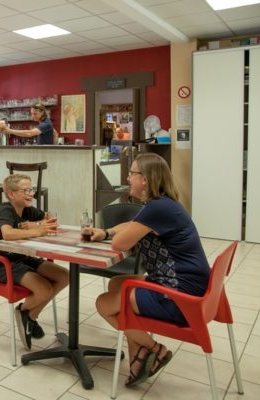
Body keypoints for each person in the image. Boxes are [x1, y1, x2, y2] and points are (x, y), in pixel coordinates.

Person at [89, 153, 210, 387]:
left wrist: (112, 237)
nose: (128, 177)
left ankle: (157, 350)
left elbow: (120, 245)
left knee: (104, 304)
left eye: (132, 173)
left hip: (179, 297)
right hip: (186, 286)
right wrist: (106, 232)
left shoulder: (158, 208)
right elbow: (133, 225)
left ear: (145, 179)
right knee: (117, 285)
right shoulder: (162, 204)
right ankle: (138, 359)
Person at [0, 174, 69, 350]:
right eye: (26, 190)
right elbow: (7, 233)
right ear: (11, 194)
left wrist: (34, 225)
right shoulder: (6, 210)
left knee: (64, 276)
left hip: (23, 256)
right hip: (3, 262)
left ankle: (28, 316)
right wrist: (38, 230)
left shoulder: (28, 209)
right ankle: (25, 314)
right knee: (44, 289)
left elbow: (51, 221)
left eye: (31, 190)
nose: (31, 194)